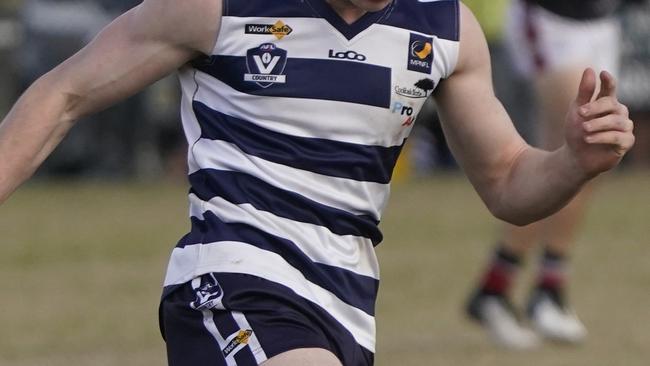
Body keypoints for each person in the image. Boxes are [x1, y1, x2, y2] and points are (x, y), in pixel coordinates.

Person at [0, 0, 634, 365]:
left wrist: (573, 159)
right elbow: (64, 95)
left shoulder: (446, 29)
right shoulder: (216, 5)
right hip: (229, 282)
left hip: (345, 312)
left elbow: (508, 182)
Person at [465, 0, 637, 350]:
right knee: (575, 149)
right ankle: (535, 288)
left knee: (595, 157)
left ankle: (511, 286)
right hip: (551, 19)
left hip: (601, 21)